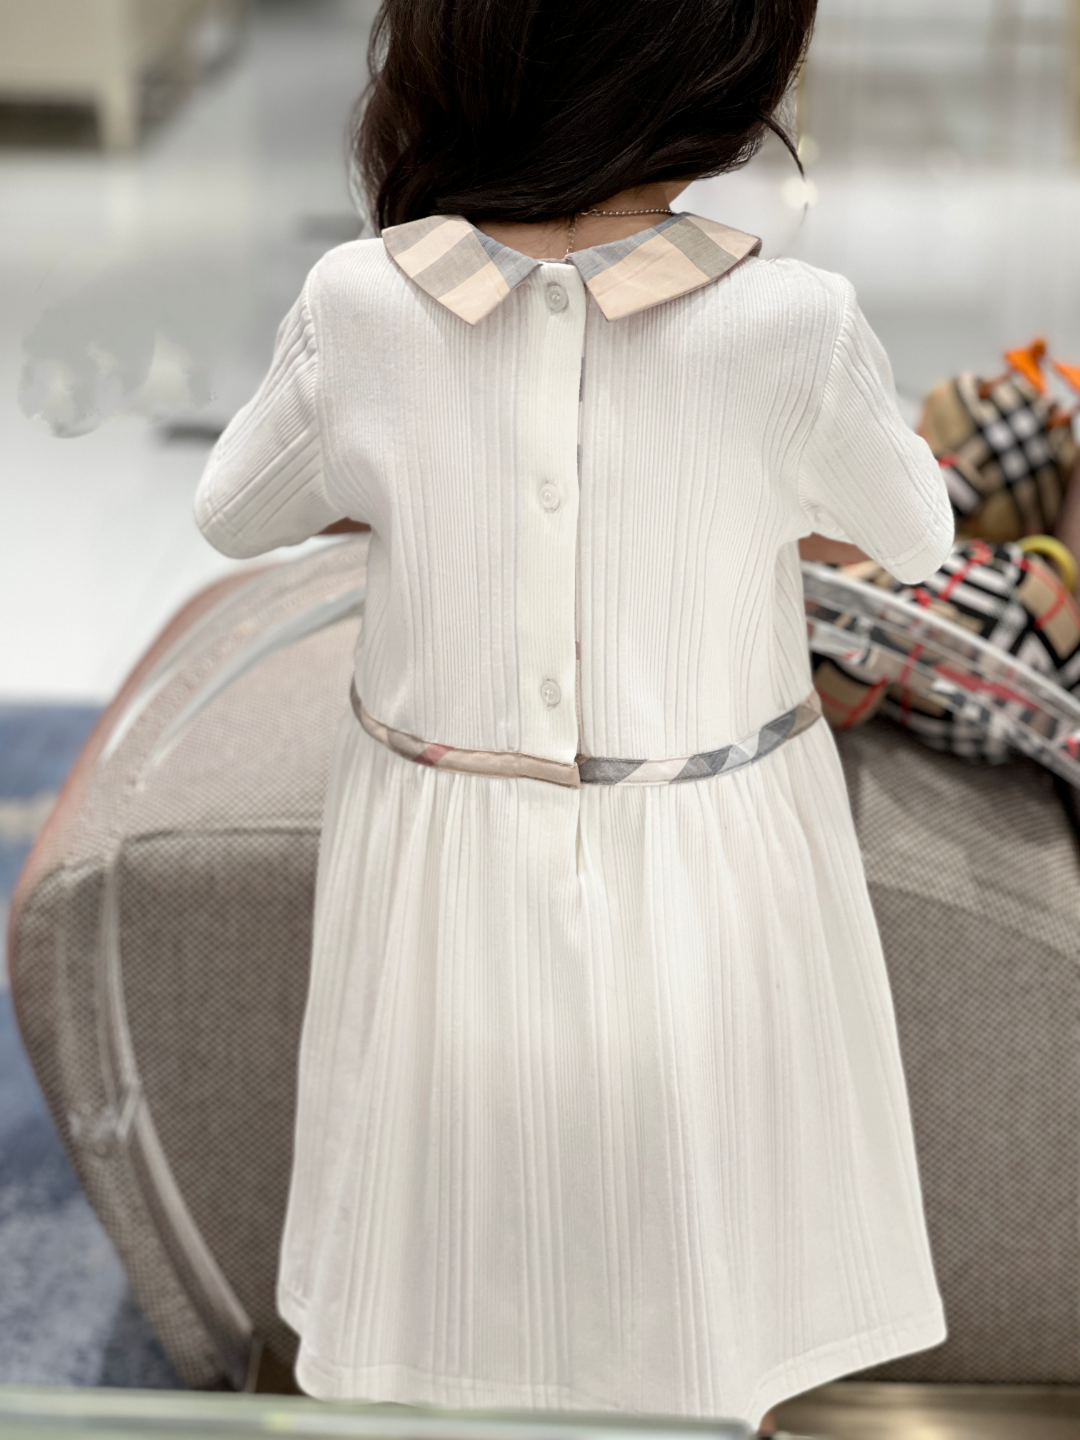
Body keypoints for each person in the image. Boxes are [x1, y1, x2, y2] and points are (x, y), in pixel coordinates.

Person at [193, 0, 954, 1432]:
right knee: (709, 1310)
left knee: (447, 1304)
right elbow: (916, 533)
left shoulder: (358, 304)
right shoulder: (795, 324)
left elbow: (233, 510)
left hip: (438, 916)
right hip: (717, 901)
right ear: (722, 64)